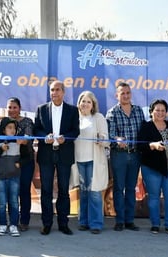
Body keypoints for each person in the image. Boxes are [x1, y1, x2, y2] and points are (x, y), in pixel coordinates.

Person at [34, 80, 80, 235]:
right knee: (46, 190)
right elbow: (36, 129)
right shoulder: (41, 109)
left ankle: (63, 223)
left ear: (63, 92)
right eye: (52, 90)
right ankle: (46, 223)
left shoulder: (72, 110)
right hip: (46, 154)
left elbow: (75, 131)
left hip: (64, 155)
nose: (54, 93)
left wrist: (65, 138)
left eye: (57, 90)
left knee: (63, 190)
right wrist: (43, 136)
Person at [137, 99, 168, 235]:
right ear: (151, 112)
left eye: (163, 110)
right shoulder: (146, 126)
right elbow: (140, 145)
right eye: (157, 110)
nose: (160, 113)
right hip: (152, 168)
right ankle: (155, 224)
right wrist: (152, 145)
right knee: (154, 197)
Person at [106, 82, 145, 231]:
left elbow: (143, 131)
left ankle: (129, 220)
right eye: (123, 93)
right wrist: (116, 140)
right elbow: (109, 135)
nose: (126, 95)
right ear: (117, 95)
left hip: (135, 155)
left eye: (128, 93)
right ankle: (119, 220)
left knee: (131, 188)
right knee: (118, 188)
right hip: (119, 155)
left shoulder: (138, 111)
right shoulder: (112, 113)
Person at [73, 91, 109, 234]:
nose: (85, 104)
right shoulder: (75, 118)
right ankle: (83, 221)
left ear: (93, 104)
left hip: (94, 161)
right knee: (83, 192)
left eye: (89, 102)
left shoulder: (98, 118)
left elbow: (106, 138)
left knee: (94, 192)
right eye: (83, 101)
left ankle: (96, 224)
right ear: (79, 103)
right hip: (79, 161)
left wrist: (102, 139)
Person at [0, 117, 29, 237]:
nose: (12, 130)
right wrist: (0, 149)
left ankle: (13, 225)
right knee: (1, 203)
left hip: (15, 176)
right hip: (1, 177)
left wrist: (19, 164)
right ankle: (2, 225)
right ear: (3, 129)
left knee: (14, 202)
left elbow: (27, 157)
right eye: (9, 128)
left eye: (14, 128)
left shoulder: (19, 141)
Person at [6, 97, 35, 232]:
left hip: (25, 161)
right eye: (9, 107)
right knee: (11, 192)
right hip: (9, 162)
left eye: (14, 107)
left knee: (24, 191)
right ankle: (13, 220)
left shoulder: (27, 122)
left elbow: (29, 140)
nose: (12, 110)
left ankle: (24, 221)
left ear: (20, 108)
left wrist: (22, 141)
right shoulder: (4, 123)